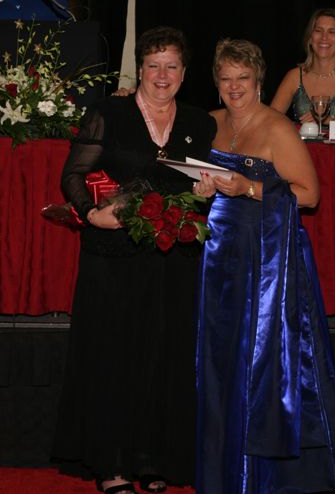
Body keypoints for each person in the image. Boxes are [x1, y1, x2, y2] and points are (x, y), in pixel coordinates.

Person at [51, 25, 216, 494]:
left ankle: (153, 459)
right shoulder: (109, 111)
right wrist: (91, 214)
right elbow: (73, 175)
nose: (161, 75)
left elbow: (196, 191)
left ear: (184, 73)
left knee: (164, 358)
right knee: (114, 356)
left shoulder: (199, 123)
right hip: (114, 257)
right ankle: (113, 464)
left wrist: (204, 194)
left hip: (172, 258)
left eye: (171, 66)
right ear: (139, 69)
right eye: (153, 65)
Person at [193, 38, 335, 493]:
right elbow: (194, 179)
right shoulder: (209, 123)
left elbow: (309, 194)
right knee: (222, 362)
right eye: (225, 79)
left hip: (269, 259)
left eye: (242, 78)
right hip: (219, 257)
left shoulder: (277, 128)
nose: (234, 87)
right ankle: (223, 471)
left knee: (266, 363)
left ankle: (272, 478)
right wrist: (200, 191)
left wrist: (248, 187)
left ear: (259, 81)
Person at [271, 7, 335, 124]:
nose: (324, 37)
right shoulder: (294, 76)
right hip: (300, 143)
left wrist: (328, 120)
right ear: (310, 38)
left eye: (332, 32)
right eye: (318, 30)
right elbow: (270, 122)